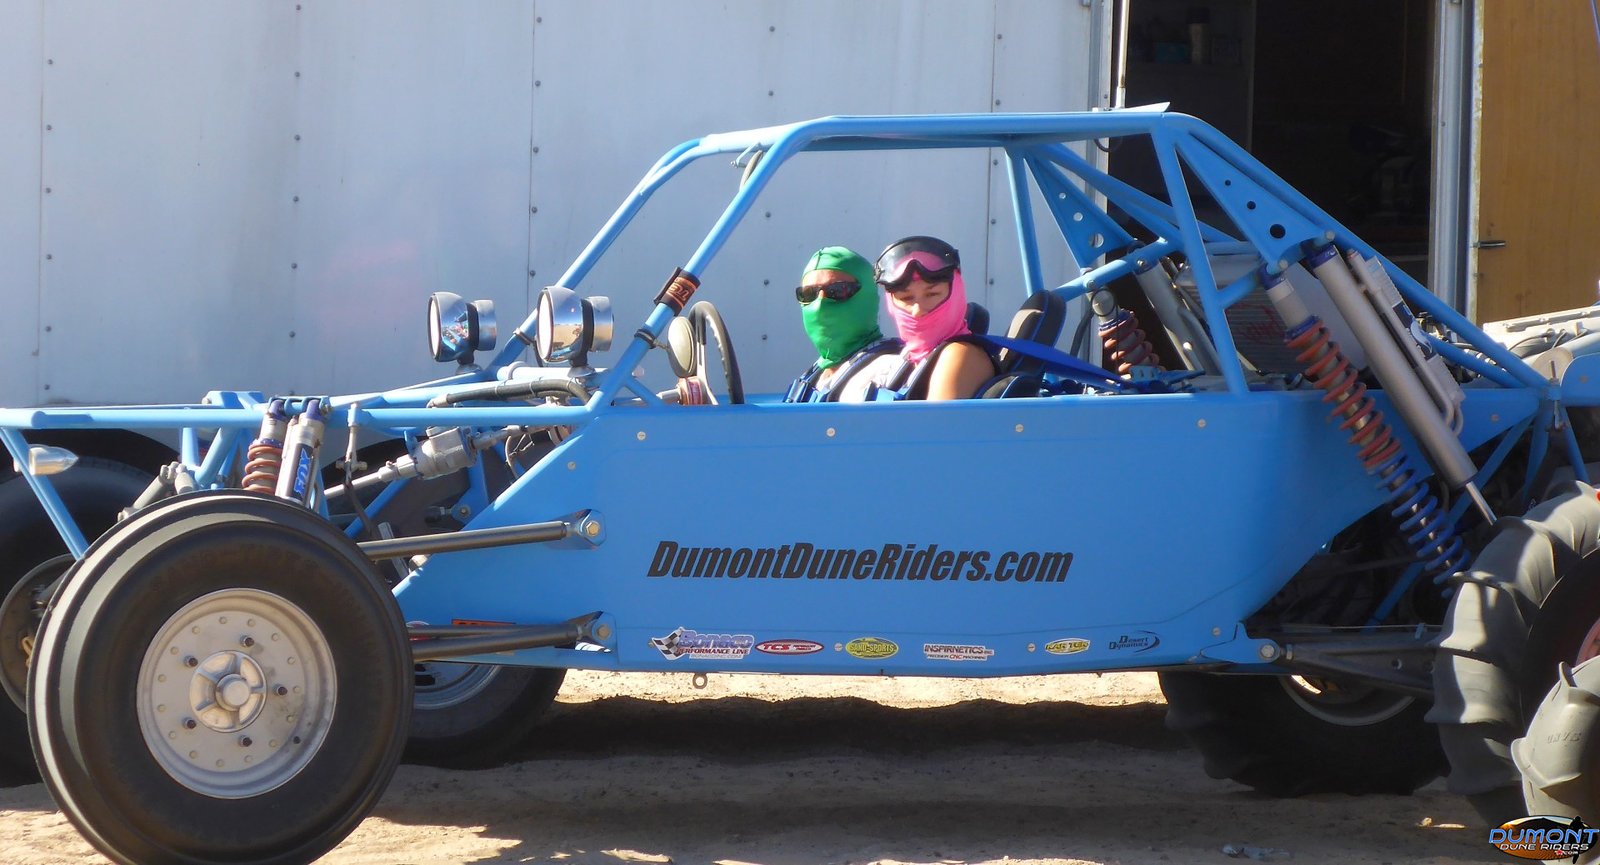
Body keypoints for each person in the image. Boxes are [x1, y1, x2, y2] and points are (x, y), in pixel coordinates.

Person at [874, 235, 998, 400]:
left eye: (932, 294)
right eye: (906, 298)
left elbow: (933, 425)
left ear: (956, 293)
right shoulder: (910, 356)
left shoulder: (958, 355)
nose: (917, 310)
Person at [785, 247, 903, 403]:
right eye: (809, 294)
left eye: (837, 290)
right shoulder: (816, 374)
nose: (820, 304)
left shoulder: (891, 369)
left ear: (867, 298)